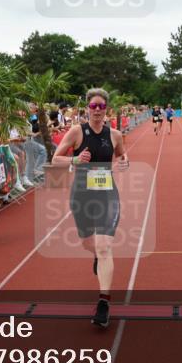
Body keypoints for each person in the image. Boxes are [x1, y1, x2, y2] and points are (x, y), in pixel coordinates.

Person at [52, 88, 129, 328]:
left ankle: (104, 302)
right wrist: (75, 159)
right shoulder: (76, 132)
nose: (97, 110)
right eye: (93, 106)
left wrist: (125, 161)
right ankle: (95, 253)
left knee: (105, 245)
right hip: (82, 195)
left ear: (107, 109)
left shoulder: (114, 134)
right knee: (89, 243)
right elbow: (55, 159)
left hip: (107, 194)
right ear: (87, 108)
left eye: (101, 106)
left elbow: (122, 155)